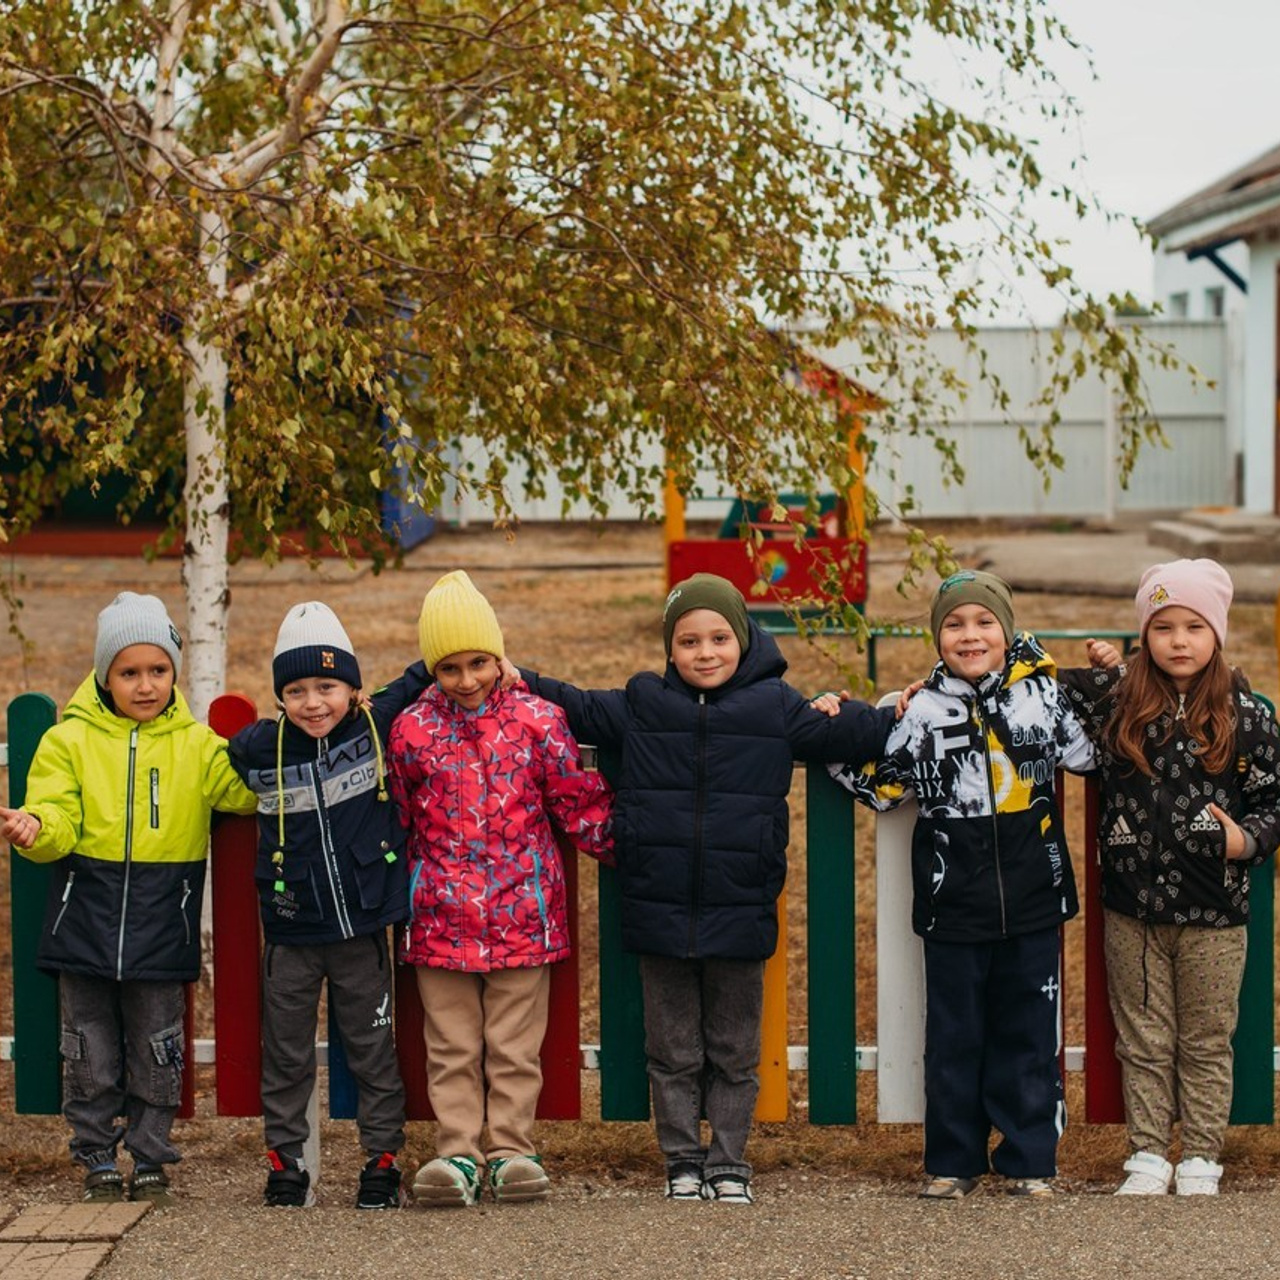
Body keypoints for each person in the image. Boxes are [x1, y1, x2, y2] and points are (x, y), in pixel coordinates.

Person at [516, 572, 893, 1205]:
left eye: (720, 637)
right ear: (670, 649)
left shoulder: (775, 705)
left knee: (734, 1049)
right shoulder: (642, 702)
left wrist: (877, 707)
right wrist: (509, 672)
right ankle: (681, 1161)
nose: (705, 652)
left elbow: (846, 734)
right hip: (657, 907)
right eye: (689, 641)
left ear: (743, 640)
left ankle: (728, 1162)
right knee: (671, 1050)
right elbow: (570, 702)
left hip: (740, 907)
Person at [831, 569, 1095, 1199]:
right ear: (937, 636)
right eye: (954, 624)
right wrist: (833, 723)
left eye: (984, 623)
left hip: (1033, 893)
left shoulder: (1045, 697)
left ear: (1007, 632)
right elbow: (882, 784)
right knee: (954, 1035)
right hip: (954, 898)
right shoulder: (921, 708)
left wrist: (1104, 679)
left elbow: (1089, 754)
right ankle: (953, 1161)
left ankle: (1031, 1159)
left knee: (1029, 1034)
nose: (970, 635)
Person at [0, 592, 258, 1206]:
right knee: (86, 1047)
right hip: (83, 922)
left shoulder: (197, 746)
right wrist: (35, 828)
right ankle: (94, 1157)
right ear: (104, 676)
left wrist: (277, 760)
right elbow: (56, 813)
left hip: (160, 923)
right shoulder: (69, 742)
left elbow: (242, 795)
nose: (145, 685)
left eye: (158, 671)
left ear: (173, 673)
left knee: (157, 1046)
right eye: (129, 672)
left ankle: (150, 1155)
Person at [387, 570, 613, 1208]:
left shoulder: (538, 721)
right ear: (431, 667)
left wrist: (634, 848)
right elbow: (398, 816)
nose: (466, 680)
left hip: (523, 915)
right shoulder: (409, 731)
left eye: (479, 662)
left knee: (514, 1047)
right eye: (450, 667)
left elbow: (575, 800)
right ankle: (456, 1152)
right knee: (452, 1045)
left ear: (499, 655)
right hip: (439, 918)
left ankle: (511, 1149)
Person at [1060, 559, 1280, 1196]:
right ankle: (1150, 1152)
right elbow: (1032, 684)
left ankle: (1203, 1155)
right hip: (1133, 908)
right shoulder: (1118, 702)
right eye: (1162, 627)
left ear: (1217, 633)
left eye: (1193, 626)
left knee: (1208, 1039)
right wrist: (1112, 665)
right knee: (1144, 1037)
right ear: (1143, 634)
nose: (1178, 641)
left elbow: (1273, 801)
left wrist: (1245, 840)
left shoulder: (1248, 716)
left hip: (1215, 911)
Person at [228, 601, 431, 1209]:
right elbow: (226, 753)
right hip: (292, 935)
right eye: (296, 690)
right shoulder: (263, 750)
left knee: (372, 1048)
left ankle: (382, 1158)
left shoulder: (375, 728)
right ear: (279, 697)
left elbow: (422, 674)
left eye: (328, 686)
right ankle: (286, 1161)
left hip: (361, 930)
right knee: (286, 1054)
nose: (314, 702)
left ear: (355, 688)